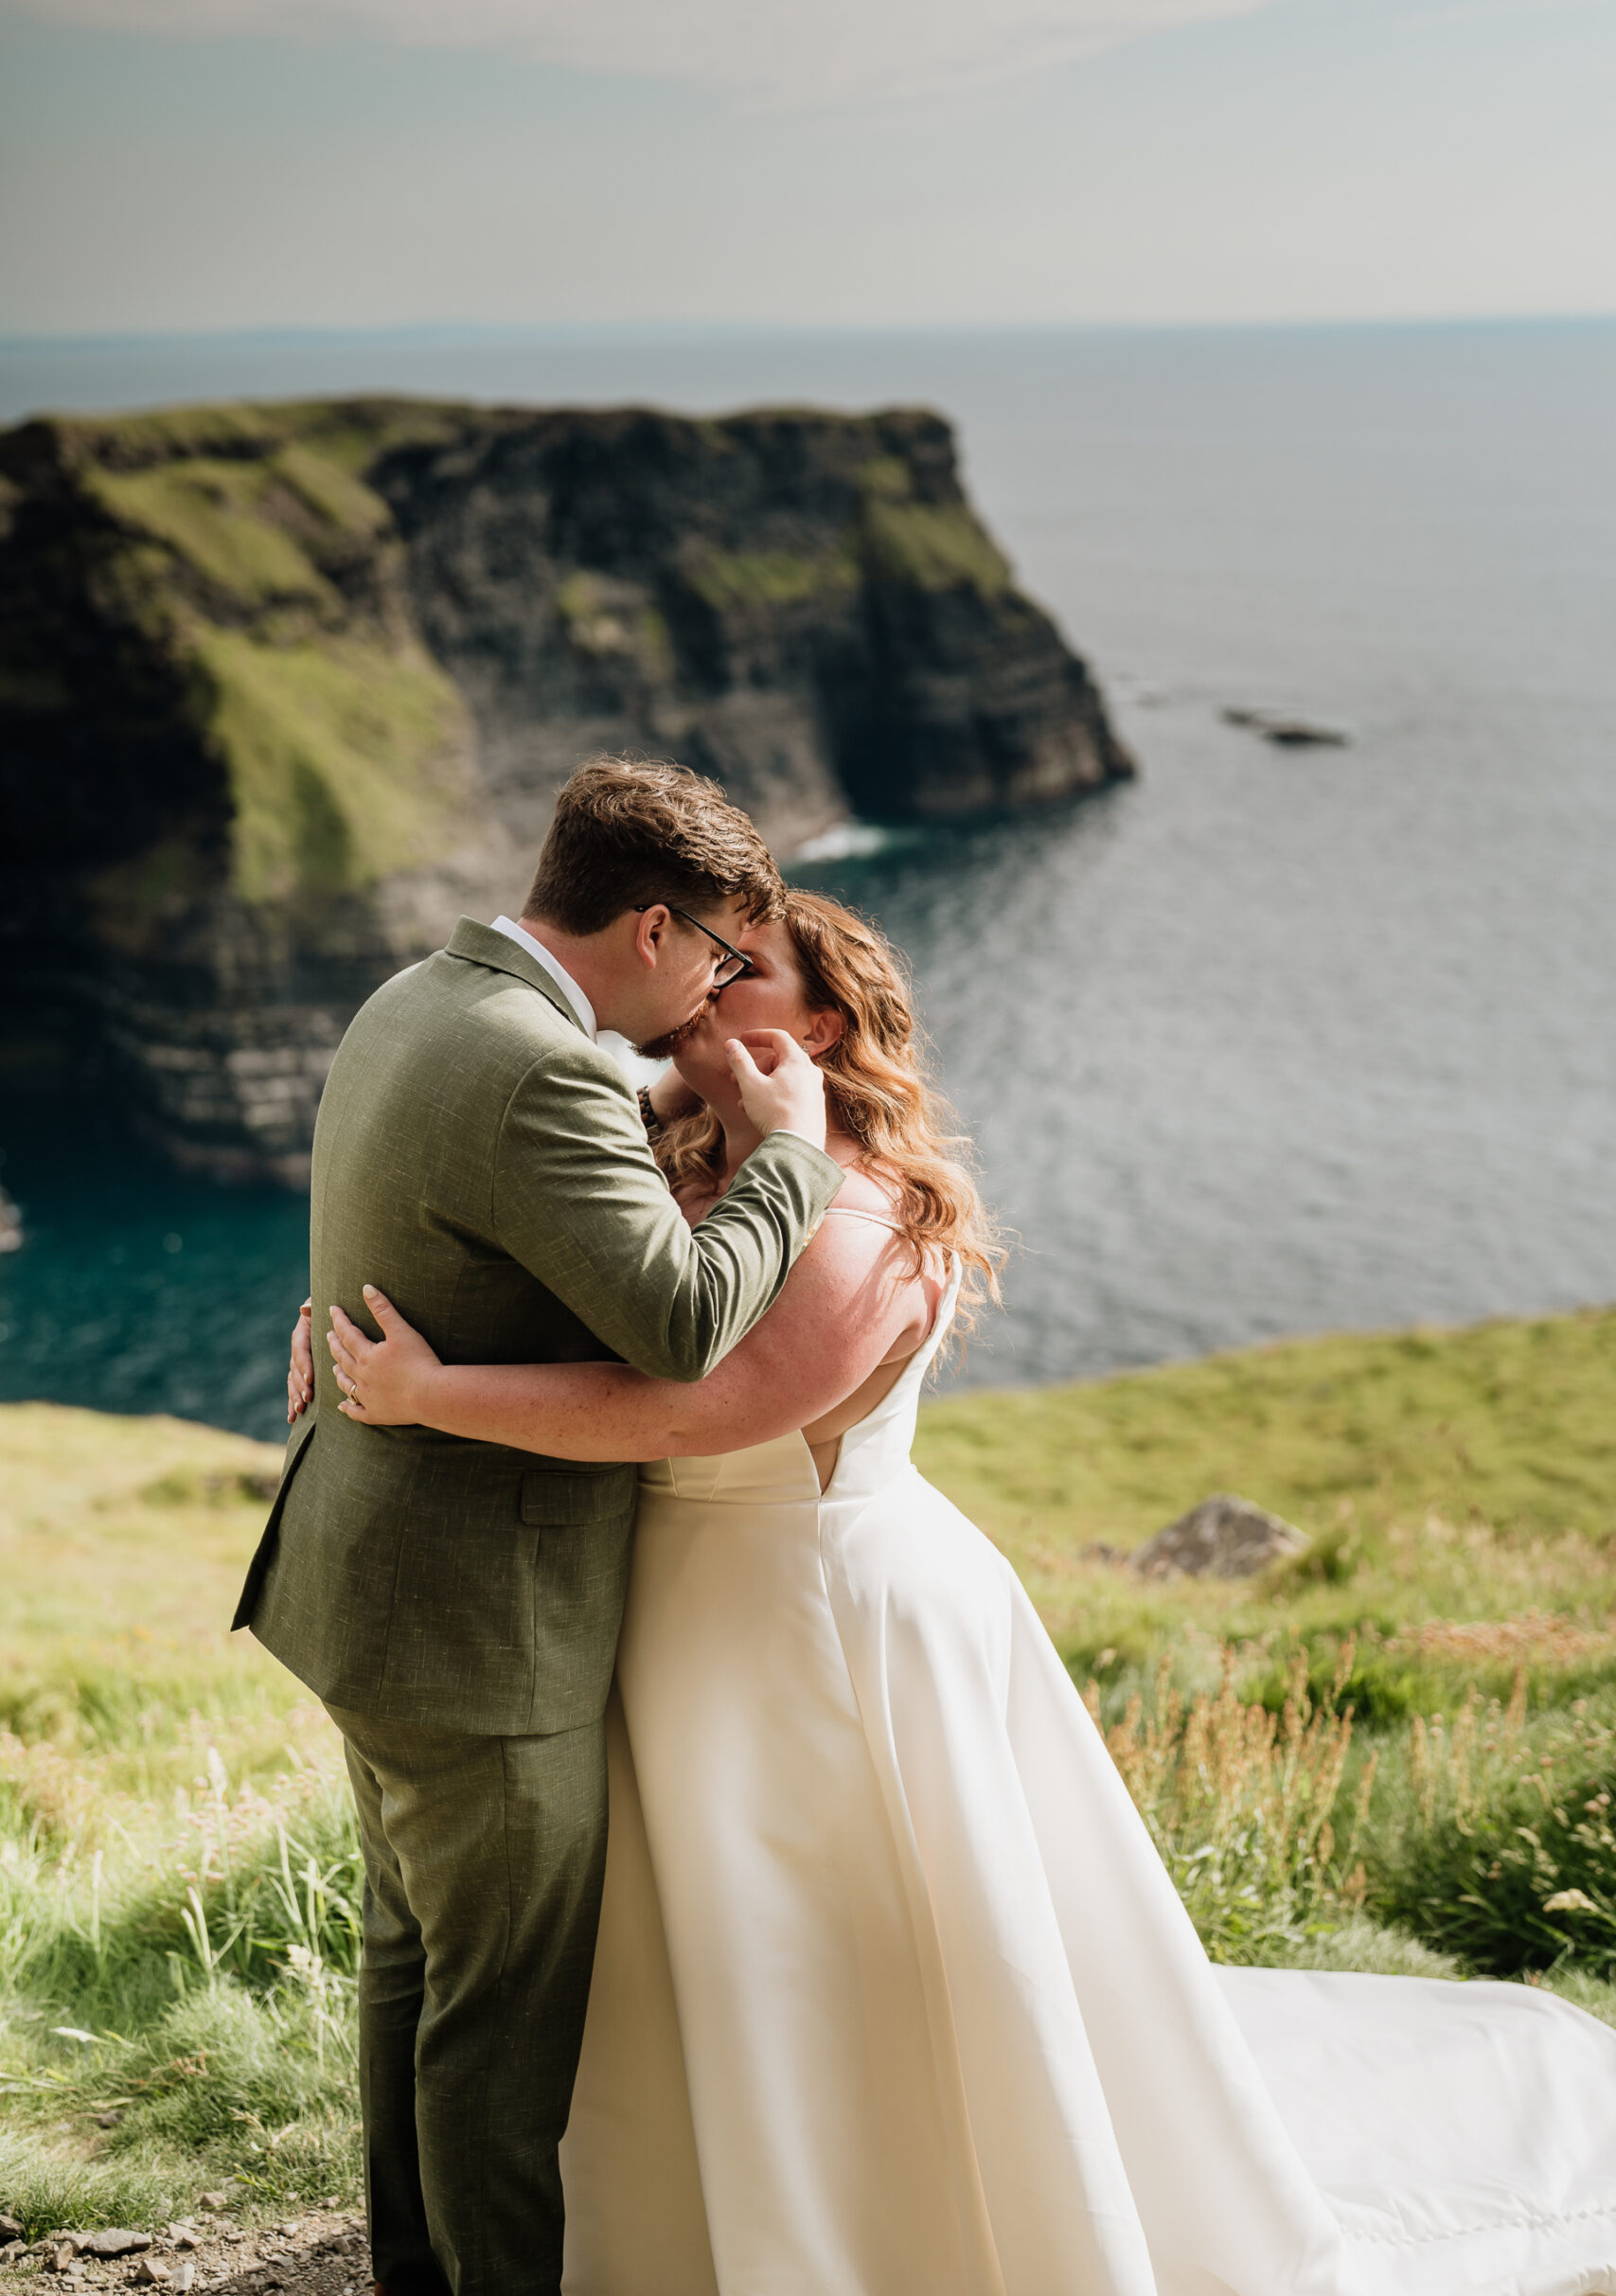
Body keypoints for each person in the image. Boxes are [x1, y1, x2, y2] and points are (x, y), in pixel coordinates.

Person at [302, 891, 1616, 2296]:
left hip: (818, 1628)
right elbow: (481, 1209)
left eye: (742, 976)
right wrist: (343, 1313)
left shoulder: (861, 1211)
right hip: (671, 1626)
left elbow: (703, 1411)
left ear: (818, 1027)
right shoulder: (659, 1134)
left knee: (854, 1959)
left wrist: (434, 1396)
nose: (695, 994)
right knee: (707, 1956)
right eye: (701, 962)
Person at [240, 759, 846, 2296]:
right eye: (713, 953)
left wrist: (675, 1098)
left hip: (359, 1584)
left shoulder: (415, 997)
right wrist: (793, 1153)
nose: (716, 987)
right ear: (650, 925)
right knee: (496, 2048)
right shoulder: (545, 1071)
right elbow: (684, 1322)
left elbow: (455, 1198)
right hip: (478, 1629)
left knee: (413, 1973)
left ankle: (410, 2277)